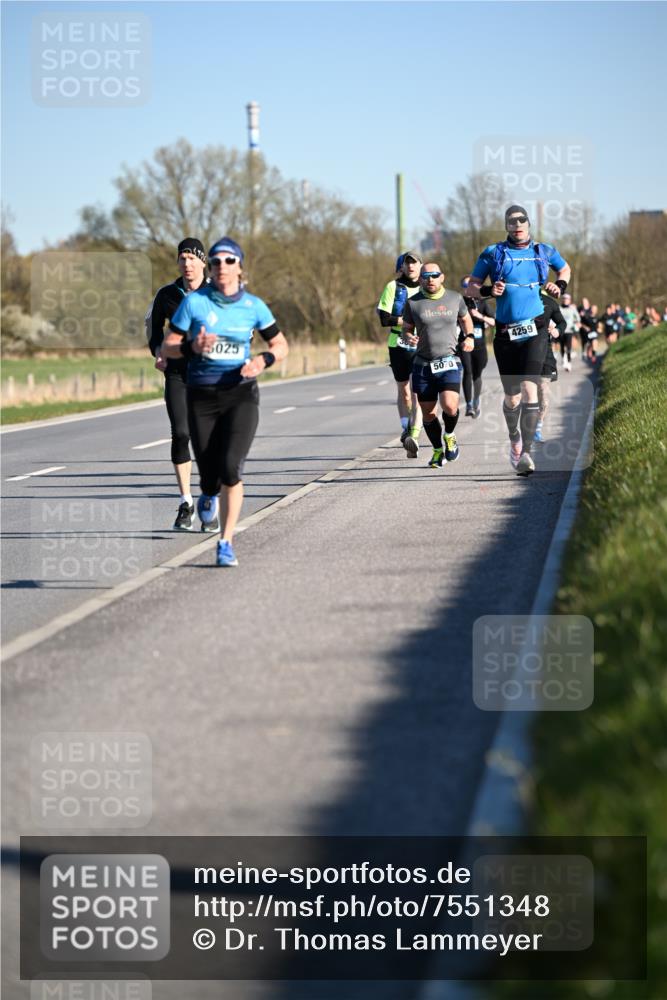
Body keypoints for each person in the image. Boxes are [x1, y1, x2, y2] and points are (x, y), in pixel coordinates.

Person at [161, 237, 288, 567]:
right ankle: (206, 492)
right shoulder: (194, 303)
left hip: (240, 392)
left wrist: (264, 360)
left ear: (239, 267)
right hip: (201, 394)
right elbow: (167, 347)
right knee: (209, 474)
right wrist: (192, 348)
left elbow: (281, 344)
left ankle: (226, 542)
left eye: (229, 261)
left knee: (231, 466)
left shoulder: (254, 306)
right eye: (215, 261)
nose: (221, 267)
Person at [467, 205, 571, 476]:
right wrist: (490, 290)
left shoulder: (544, 251)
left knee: (530, 388)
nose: (517, 225)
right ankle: (514, 438)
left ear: (528, 224)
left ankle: (526, 452)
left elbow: (565, 270)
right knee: (512, 398)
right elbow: (471, 286)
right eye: (512, 222)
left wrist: (558, 286)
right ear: (506, 226)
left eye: (521, 221)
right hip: (505, 331)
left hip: (535, 328)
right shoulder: (493, 253)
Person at [145, 238, 208, 530]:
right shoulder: (167, 294)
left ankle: (211, 498)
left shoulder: (217, 292)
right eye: (182, 258)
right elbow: (153, 326)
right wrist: (158, 351)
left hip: (211, 374)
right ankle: (186, 502)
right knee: (181, 433)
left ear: (203, 262)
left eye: (192, 258)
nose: (187, 263)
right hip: (178, 373)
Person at [400, 263, 474, 468]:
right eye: (426, 276)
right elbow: (406, 328)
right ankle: (437, 450)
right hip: (423, 364)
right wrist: (408, 337)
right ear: (420, 279)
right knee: (429, 413)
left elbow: (466, 319)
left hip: (449, 360)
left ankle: (449, 435)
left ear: (442, 277)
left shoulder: (454, 298)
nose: (430, 279)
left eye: (434, 275)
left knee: (450, 406)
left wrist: (469, 337)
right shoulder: (413, 303)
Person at [377, 251, 424, 457]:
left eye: (414, 263)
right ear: (402, 267)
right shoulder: (393, 287)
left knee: (417, 392)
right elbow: (385, 319)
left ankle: (414, 433)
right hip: (398, 343)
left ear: (421, 266)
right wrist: (408, 322)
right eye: (407, 263)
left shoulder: (428, 287)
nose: (411, 267)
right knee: (404, 391)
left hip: (422, 343)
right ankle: (405, 428)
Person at [460, 274, 493, 418]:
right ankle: (468, 405)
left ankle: (476, 400)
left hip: (480, 345)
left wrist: (480, 317)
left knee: (477, 373)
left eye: (470, 285)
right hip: (465, 344)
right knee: (467, 371)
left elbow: (495, 322)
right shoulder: (459, 302)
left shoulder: (483, 303)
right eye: (466, 286)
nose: (468, 288)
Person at [535, 290, 566, 442]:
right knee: (523, 396)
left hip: (544, 353)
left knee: (544, 398)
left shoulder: (549, 302)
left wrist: (557, 331)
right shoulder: (517, 298)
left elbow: (562, 322)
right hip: (521, 352)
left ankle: (537, 428)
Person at [559, 293, 580, 371]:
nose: (565, 300)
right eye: (564, 299)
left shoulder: (572, 308)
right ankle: (564, 360)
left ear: (569, 300)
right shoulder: (559, 308)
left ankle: (569, 362)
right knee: (562, 347)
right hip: (561, 330)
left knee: (568, 347)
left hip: (569, 330)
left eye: (567, 299)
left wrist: (576, 322)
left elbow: (578, 318)